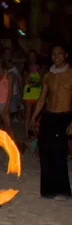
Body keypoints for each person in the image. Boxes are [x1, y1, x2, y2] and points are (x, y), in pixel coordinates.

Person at [30, 45, 72, 200]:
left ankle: (62, 190)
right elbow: (42, 98)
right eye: (54, 54)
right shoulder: (48, 75)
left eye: (60, 53)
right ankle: (48, 190)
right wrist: (34, 116)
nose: (56, 56)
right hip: (49, 116)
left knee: (60, 152)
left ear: (66, 55)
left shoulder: (71, 74)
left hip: (64, 116)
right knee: (46, 152)